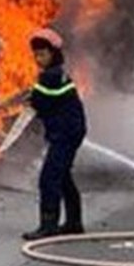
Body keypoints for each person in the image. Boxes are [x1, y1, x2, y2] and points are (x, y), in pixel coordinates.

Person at [23, 27, 87, 240]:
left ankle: (48, 225)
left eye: (42, 54)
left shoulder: (51, 75)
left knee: (49, 178)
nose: (38, 58)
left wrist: (31, 99)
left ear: (54, 54)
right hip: (68, 130)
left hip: (65, 133)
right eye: (36, 54)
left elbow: (40, 102)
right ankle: (74, 222)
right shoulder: (57, 73)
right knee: (63, 176)